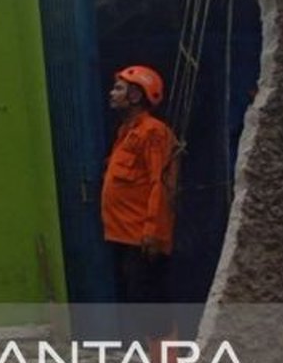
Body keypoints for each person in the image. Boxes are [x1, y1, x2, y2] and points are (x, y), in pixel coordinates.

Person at [101, 64, 179, 353]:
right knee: (142, 305)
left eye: (119, 89)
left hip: (142, 238)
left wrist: (153, 232)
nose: (112, 93)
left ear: (135, 95)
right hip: (124, 235)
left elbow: (160, 184)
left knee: (153, 308)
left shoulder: (153, 133)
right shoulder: (126, 133)